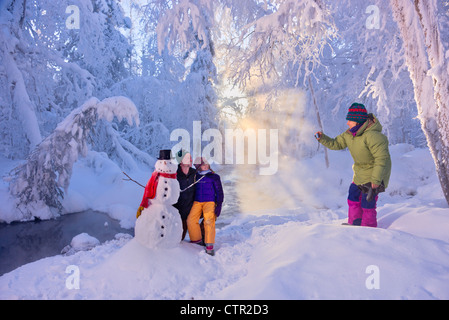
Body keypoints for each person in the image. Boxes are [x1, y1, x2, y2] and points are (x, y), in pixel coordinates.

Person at [315, 103, 391, 227]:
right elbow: (336, 144)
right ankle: (354, 225)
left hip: (374, 175)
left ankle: (368, 228)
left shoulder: (374, 136)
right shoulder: (349, 135)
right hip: (359, 174)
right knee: (353, 198)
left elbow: (382, 159)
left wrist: (376, 180)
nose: (347, 123)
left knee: (368, 203)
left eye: (349, 120)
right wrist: (322, 138)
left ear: (357, 121)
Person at [187, 157, 224, 256]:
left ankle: (209, 245)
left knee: (209, 221)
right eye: (203, 164)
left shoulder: (214, 177)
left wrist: (219, 204)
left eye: (206, 163)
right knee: (190, 220)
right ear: (199, 167)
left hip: (210, 202)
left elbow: (220, 192)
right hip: (197, 202)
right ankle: (197, 241)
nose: (206, 165)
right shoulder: (195, 176)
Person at [173, 150, 196, 241]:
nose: (190, 159)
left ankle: (203, 241)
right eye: (187, 158)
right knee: (179, 238)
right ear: (181, 161)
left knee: (209, 216)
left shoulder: (194, 173)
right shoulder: (174, 174)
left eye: (190, 157)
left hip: (192, 208)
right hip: (178, 209)